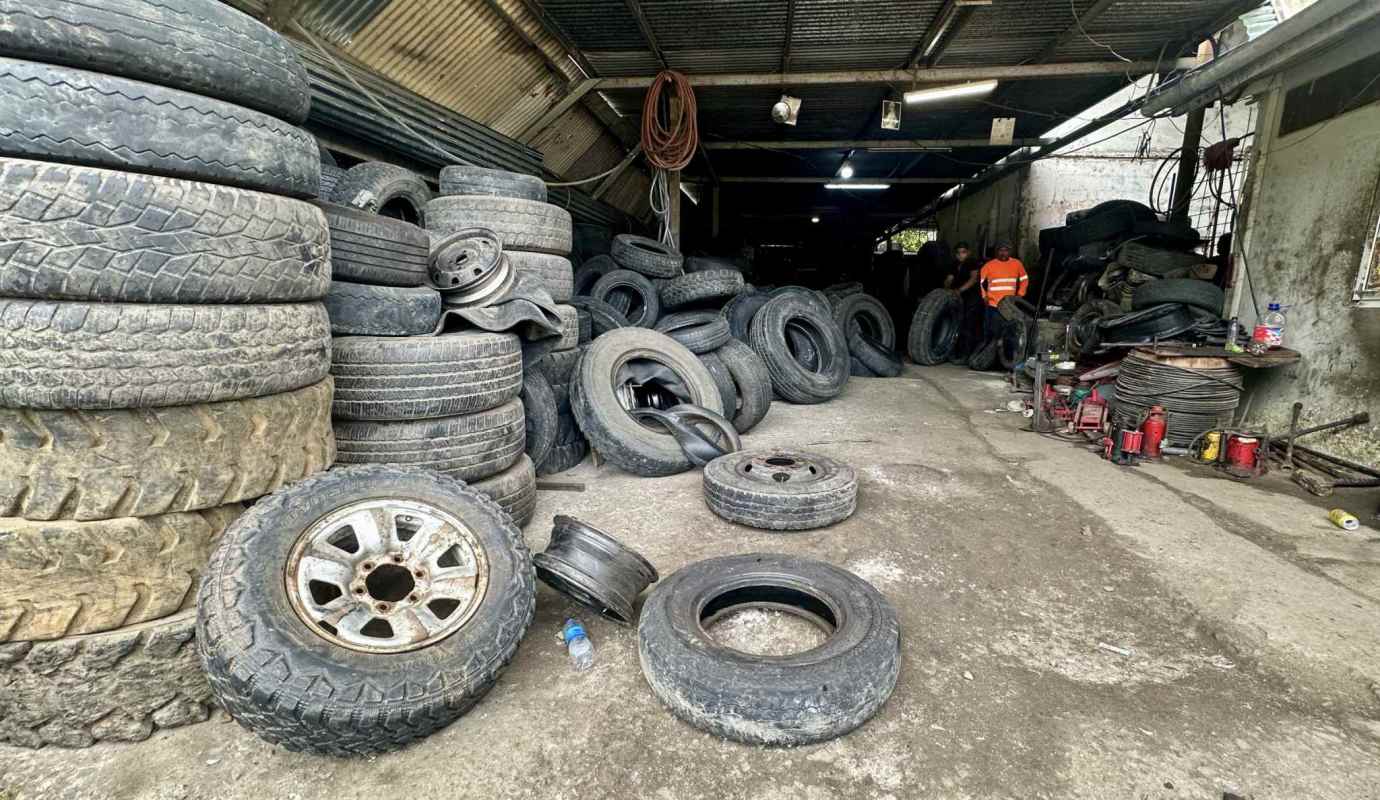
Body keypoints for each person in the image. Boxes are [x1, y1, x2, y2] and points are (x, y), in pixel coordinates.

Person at [978, 242, 1029, 341]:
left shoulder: (1017, 264)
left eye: (1006, 250)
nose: (1003, 253)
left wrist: (1020, 294)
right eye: (1001, 250)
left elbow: (1024, 279)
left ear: (1010, 252)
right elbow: (980, 282)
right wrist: (984, 296)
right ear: (996, 252)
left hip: (1009, 306)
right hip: (993, 305)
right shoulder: (989, 265)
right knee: (993, 333)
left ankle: (1007, 350)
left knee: (1010, 333)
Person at [945, 242, 982, 358]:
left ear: (968, 253)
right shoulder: (954, 264)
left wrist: (960, 290)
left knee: (968, 325)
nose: (960, 255)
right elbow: (949, 279)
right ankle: (956, 352)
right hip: (958, 298)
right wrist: (947, 288)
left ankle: (966, 354)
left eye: (963, 252)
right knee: (956, 323)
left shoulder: (972, 263)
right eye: (958, 253)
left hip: (971, 298)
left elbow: (973, 279)